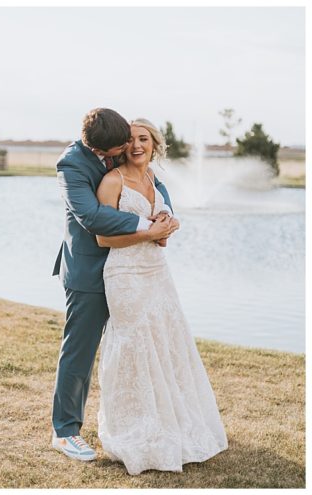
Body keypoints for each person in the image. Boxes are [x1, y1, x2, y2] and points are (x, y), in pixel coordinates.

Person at [94, 118, 227, 474]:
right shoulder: (112, 180)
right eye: (131, 140)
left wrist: (166, 226)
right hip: (124, 273)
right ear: (122, 146)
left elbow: (162, 227)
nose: (137, 145)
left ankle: (170, 419)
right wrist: (149, 232)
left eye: (143, 139)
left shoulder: (156, 179)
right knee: (133, 343)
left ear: (154, 144)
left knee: (166, 340)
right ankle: (134, 425)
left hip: (157, 271)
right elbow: (103, 239)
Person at [50, 108, 179, 460]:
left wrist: (165, 212)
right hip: (90, 270)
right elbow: (90, 216)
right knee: (79, 352)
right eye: (117, 150)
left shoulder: (118, 137)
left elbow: (150, 178)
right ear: (100, 149)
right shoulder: (71, 165)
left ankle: (146, 421)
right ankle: (65, 431)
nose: (126, 149)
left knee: (140, 346)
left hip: (134, 269)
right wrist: (146, 226)